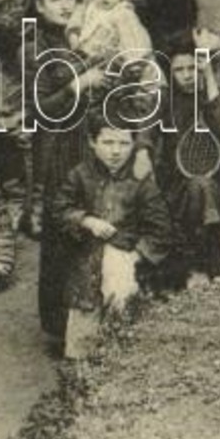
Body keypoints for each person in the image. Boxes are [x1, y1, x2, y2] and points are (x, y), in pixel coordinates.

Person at [25, 0, 109, 339]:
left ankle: (86, 319)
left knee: (89, 225)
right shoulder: (35, 48)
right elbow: (39, 110)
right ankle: (59, 324)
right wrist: (79, 84)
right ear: (40, 7)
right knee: (63, 229)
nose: (63, 5)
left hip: (84, 142)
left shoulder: (76, 39)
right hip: (57, 146)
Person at [47, 114, 173, 359]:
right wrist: (85, 220)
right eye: (108, 143)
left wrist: (137, 255)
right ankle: (80, 372)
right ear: (93, 143)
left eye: (124, 144)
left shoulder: (141, 183)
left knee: (122, 323)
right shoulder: (80, 175)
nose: (116, 151)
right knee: (83, 327)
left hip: (124, 261)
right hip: (85, 261)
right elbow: (59, 209)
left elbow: (162, 231)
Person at [141, 28, 220, 289]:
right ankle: (201, 265)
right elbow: (146, 131)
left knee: (203, 187)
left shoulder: (210, 96)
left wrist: (209, 76)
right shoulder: (165, 100)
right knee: (196, 190)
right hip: (175, 186)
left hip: (212, 183)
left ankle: (204, 265)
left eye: (192, 68)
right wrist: (143, 152)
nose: (187, 76)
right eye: (180, 70)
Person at [69, 0, 152, 66]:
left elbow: (132, 39)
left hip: (109, 57)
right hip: (85, 51)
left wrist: (131, 58)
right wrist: (73, 34)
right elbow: (77, 17)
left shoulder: (123, 12)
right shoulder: (91, 6)